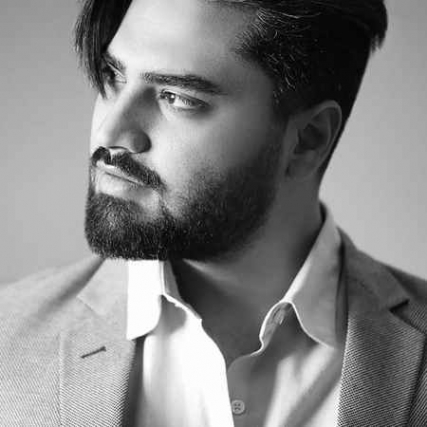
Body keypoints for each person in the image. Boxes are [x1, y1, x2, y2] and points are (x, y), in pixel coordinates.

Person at [1, 0, 427, 425]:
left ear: (308, 140)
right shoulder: (9, 339)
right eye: (113, 76)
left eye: (178, 98)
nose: (111, 131)